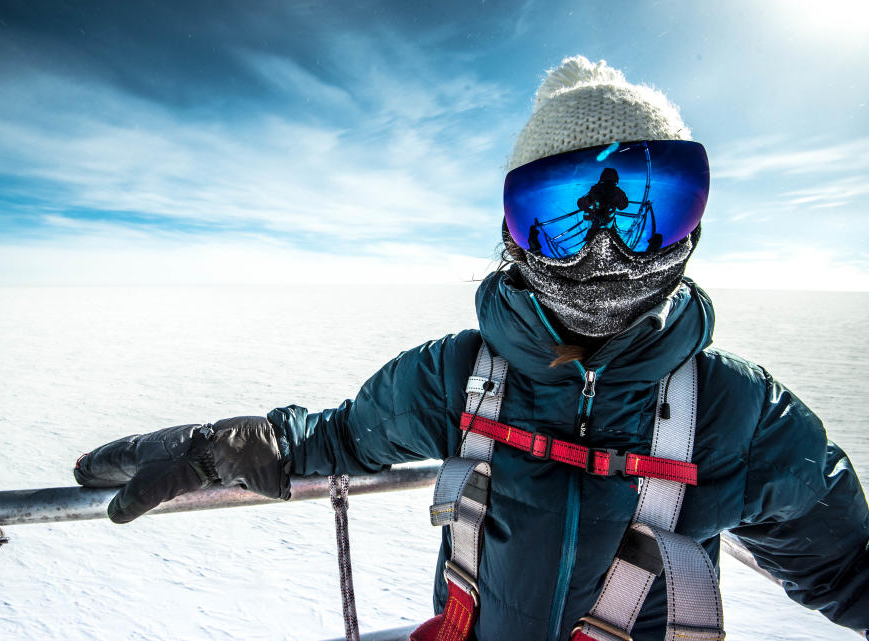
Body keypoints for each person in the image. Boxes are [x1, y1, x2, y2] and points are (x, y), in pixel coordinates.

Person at [73, 56, 869, 641]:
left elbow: (848, 568)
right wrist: (238, 445)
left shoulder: (742, 415)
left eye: (644, 210)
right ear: (511, 237)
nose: (602, 256)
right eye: (559, 214)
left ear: (694, 223)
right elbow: (340, 436)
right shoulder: (456, 376)